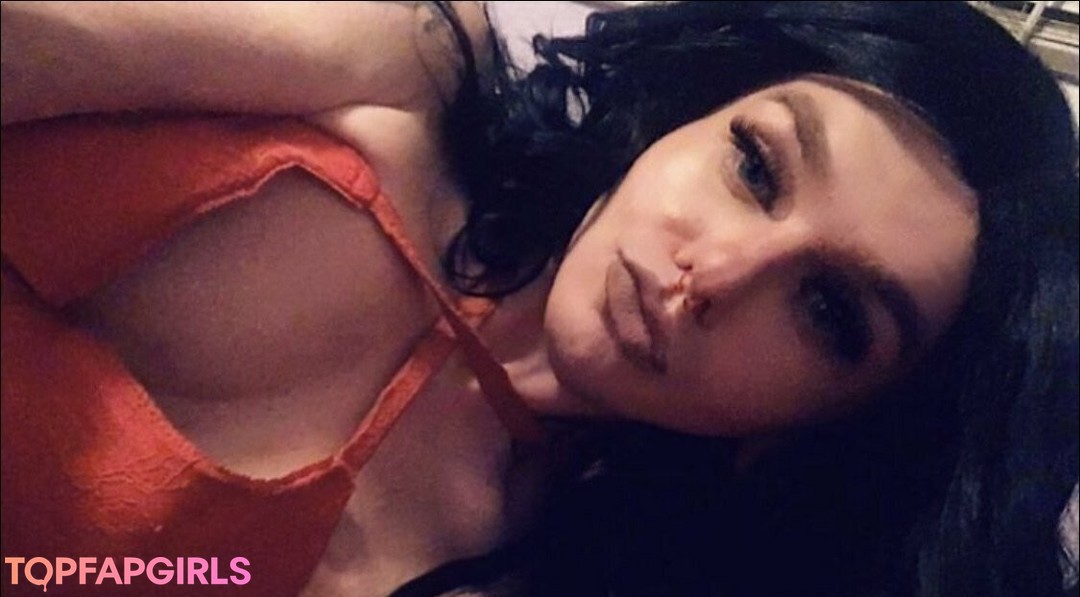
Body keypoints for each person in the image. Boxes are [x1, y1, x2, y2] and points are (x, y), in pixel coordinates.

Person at [0, 2, 1075, 597]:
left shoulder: (536, 567)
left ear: (833, 428)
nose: (715, 273)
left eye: (829, 311)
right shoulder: (393, 75)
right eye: (755, 165)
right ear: (696, 109)